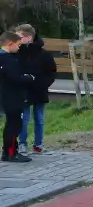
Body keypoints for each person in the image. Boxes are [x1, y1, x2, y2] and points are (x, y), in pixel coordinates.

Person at [15, 24, 54, 154]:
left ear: (29, 37)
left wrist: (42, 84)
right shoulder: (16, 53)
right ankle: (22, 143)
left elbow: (52, 72)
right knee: (23, 119)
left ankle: (38, 144)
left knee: (39, 118)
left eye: (19, 36)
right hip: (23, 91)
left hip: (39, 90)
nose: (17, 39)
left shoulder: (44, 54)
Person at [0, 31, 34, 162]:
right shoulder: (9, 60)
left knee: (10, 124)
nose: (19, 48)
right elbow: (15, 78)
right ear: (10, 44)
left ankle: (6, 152)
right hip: (13, 97)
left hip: (5, 96)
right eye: (18, 45)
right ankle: (11, 153)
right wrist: (28, 77)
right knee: (15, 125)